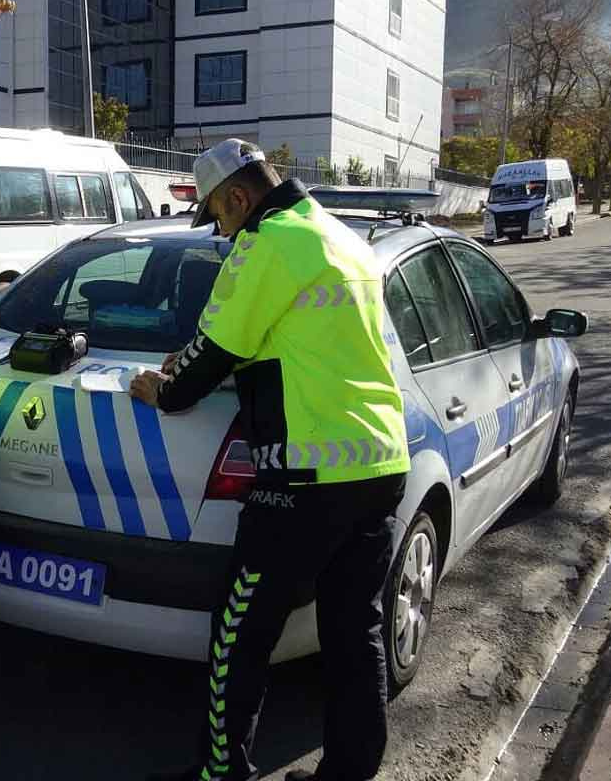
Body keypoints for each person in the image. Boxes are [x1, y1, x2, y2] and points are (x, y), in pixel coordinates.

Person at [130, 139, 410, 781]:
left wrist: (163, 387)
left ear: (238, 197)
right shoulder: (340, 235)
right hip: (377, 463)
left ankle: (221, 772)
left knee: (240, 635)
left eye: (219, 217)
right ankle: (350, 770)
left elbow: (211, 355)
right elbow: (298, 341)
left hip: (304, 477)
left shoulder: (268, 241)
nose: (222, 232)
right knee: (354, 631)